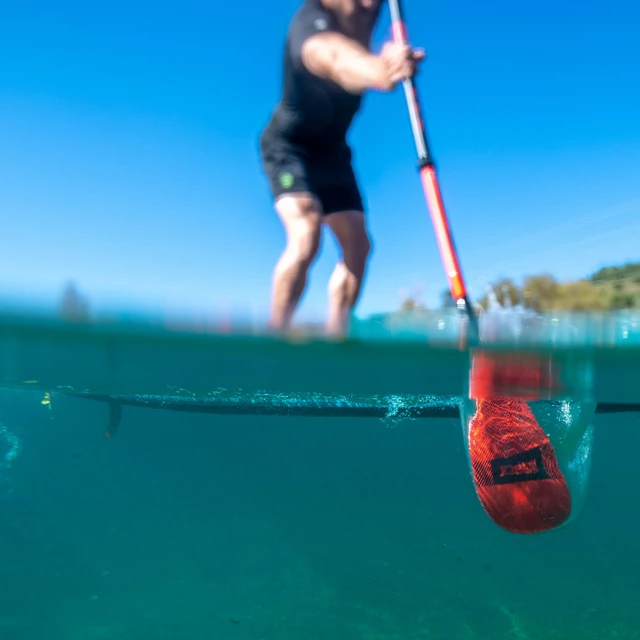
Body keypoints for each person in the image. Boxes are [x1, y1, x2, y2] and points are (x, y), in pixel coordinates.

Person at [259, 0, 424, 335]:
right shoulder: (313, 18)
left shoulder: (370, 18)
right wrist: (379, 70)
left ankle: (336, 342)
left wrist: (378, 64)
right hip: (289, 145)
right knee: (307, 232)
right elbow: (329, 56)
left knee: (358, 247)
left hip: (334, 153)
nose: (370, 6)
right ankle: (274, 340)